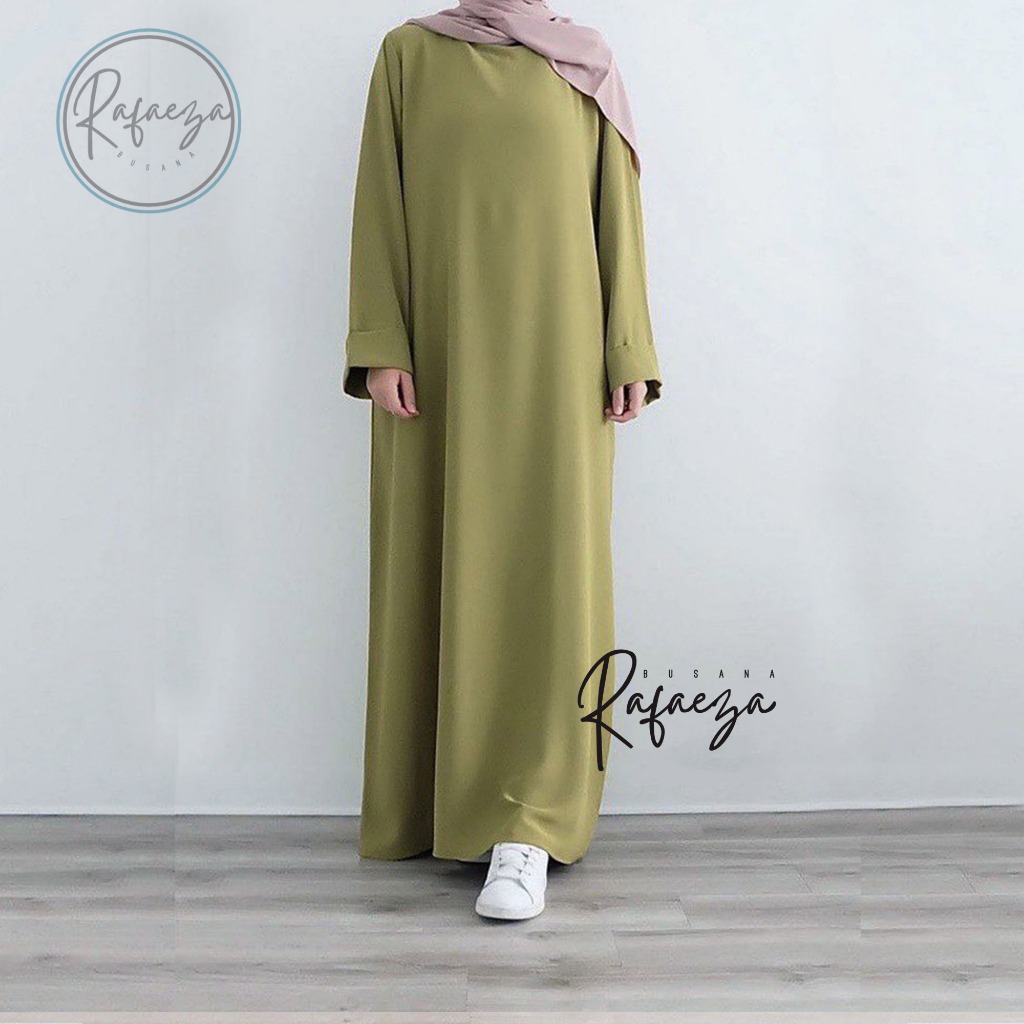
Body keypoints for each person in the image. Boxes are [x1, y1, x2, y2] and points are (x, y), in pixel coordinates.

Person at [341, 0, 663, 921]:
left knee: (550, 578)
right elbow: (379, 203)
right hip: (438, 366)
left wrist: (629, 349)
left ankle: (531, 823)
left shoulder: (584, 63)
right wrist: (381, 343)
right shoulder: (409, 55)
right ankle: (436, 804)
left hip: (560, 366)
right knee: (437, 565)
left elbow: (617, 214)